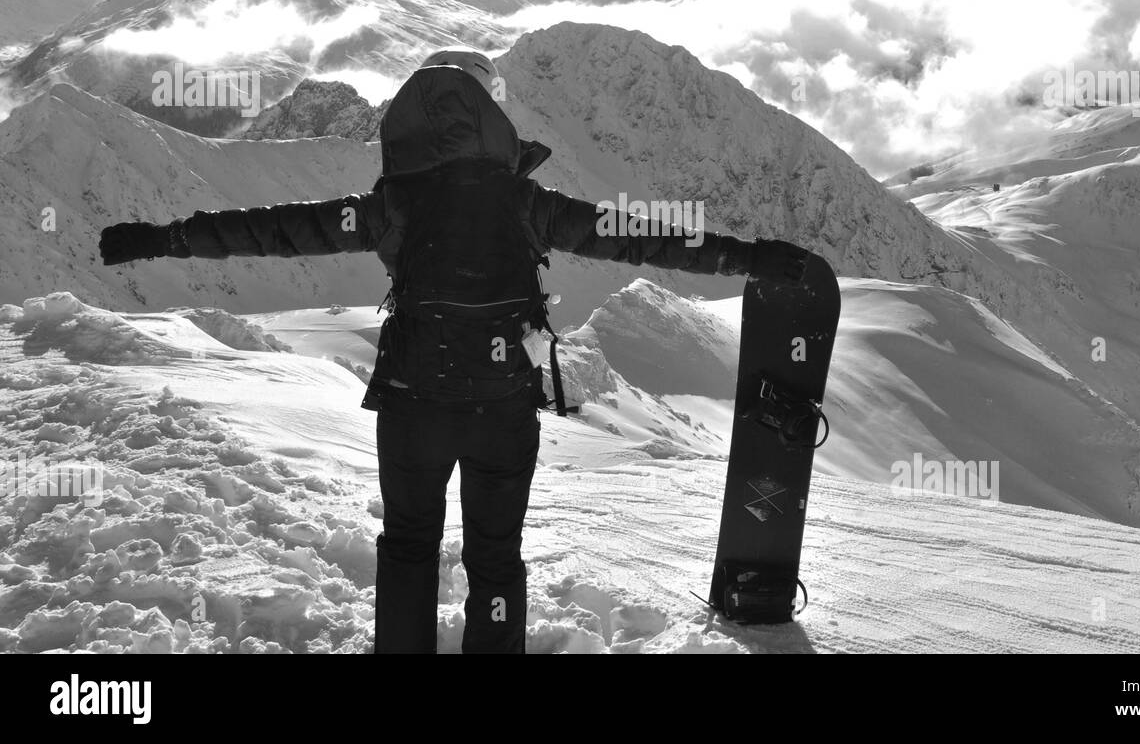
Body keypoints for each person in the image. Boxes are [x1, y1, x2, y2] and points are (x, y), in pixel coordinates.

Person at [99, 47, 812, 654]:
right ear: (491, 123)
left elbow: (278, 230)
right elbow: (643, 236)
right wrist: (752, 257)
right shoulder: (531, 205)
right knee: (496, 559)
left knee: (409, 546)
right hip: (503, 410)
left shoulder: (391, 209)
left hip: (413, 407)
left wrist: (165, 237)